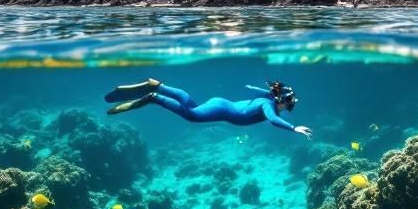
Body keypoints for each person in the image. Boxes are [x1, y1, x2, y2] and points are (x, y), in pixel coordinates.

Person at [104, 79, 313, 138]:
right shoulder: (268, 105)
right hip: (222, 111)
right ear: (281, 100)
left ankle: (158, 87)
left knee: (192, 107)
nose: (287, 108)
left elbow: (257, 91)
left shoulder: (266, 98)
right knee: (192, 114)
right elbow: (274, 120)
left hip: (221, 104)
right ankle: (155, 95)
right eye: (288, 105)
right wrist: (293, 128)